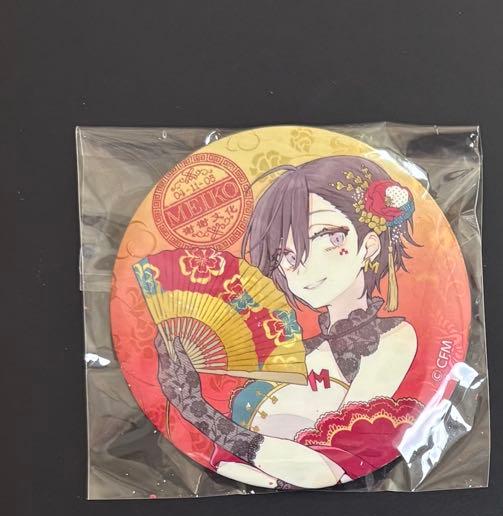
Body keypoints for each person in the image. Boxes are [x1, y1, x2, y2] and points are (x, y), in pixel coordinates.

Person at [156, 156, 420, 488]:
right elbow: (239, 468)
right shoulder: (299, 350)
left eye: (327, 238)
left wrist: (197, 409)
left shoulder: (392, 340)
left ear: (368, 245)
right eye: (285, 254)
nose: (301, 268)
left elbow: (331, 467)